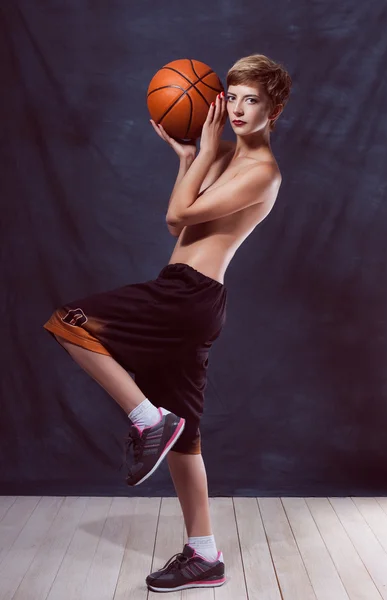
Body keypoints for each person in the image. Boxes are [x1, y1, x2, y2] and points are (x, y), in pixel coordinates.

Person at [43, 53, 292, 593]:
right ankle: (204, 556)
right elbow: (185, 209)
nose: (239, 108)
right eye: (233, 95)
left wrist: (202, 154)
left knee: (69, 323)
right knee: (188, 438)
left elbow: (176, 217)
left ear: (275, 108)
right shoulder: (223, 153)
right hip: (189, 293)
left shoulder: (261, 171)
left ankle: (145, 418)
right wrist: (189, 156)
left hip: (189, 294)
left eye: (253, 99)